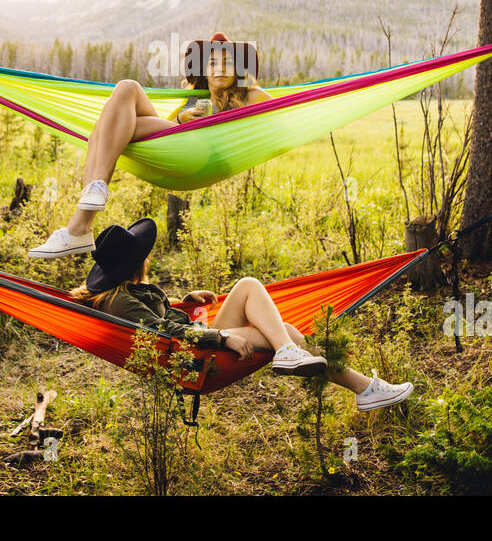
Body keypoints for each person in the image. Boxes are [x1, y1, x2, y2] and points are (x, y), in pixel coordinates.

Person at [69, 217, 414, 412]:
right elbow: (161, 333)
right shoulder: (118, 301)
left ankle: (351, 382)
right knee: (287, 329)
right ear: (134, 262)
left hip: (193, 341)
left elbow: (157, 317)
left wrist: (183, 301)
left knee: (258, 297)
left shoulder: (123, 293)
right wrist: (222, 336)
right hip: (193, 358)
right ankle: (363, 388)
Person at [29, 32, 270, 258]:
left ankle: (82, 223)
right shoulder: (195, 100)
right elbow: (160, 133)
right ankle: (81, 222)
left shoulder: (251, 96)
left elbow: (285, 112)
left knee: (107, 126)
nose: (219, 69)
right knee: (123, 95)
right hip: (180, 148)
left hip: (205, 158)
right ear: (204, 70)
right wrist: (180, 119)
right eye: (212, 63)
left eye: (227, 62)